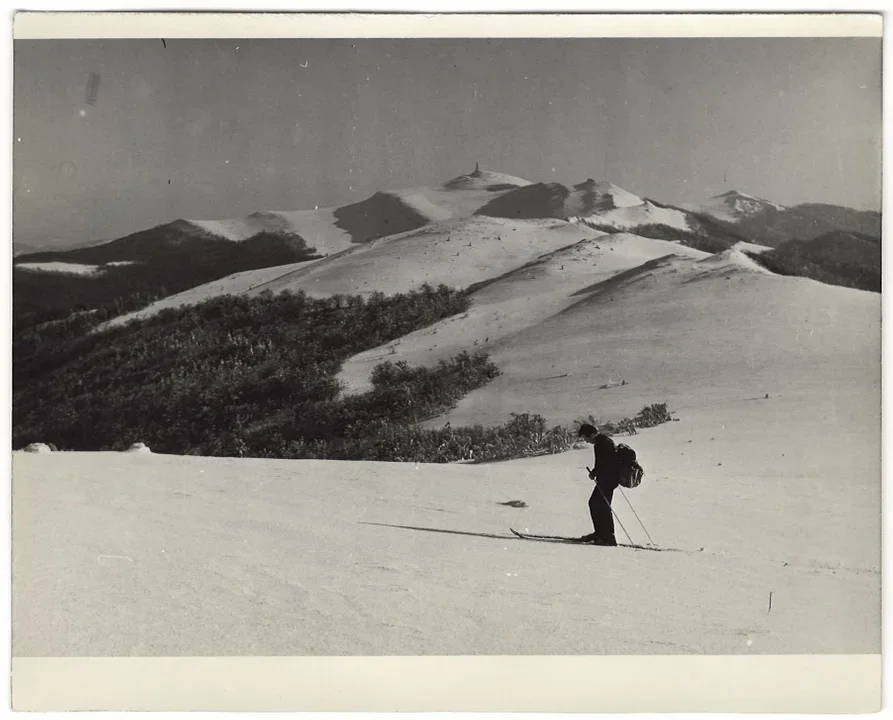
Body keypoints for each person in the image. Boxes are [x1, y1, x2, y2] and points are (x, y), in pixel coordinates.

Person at [577, 423, 619, 546]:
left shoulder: (602, 443)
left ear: (591, 434)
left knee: (600, 505)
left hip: (607, 480)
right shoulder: (604, 441)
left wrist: (594, 473)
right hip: (609, 479)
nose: (586, 441)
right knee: (598, 505)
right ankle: (601, 534)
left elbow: (603, 463)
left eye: (586, 438)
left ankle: (607, 537)